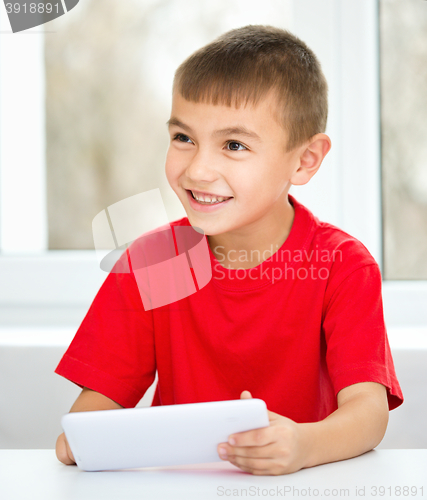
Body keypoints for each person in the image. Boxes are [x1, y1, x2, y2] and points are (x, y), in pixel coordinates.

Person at [55, 24, 403, 476]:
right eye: (184, 138)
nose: (198, 169)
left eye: (234, 145)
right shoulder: (160, 263)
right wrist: (81, 438)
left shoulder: (339, 266)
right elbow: (98, 402)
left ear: (305, 160)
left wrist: (303, 445)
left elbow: (367, 414)